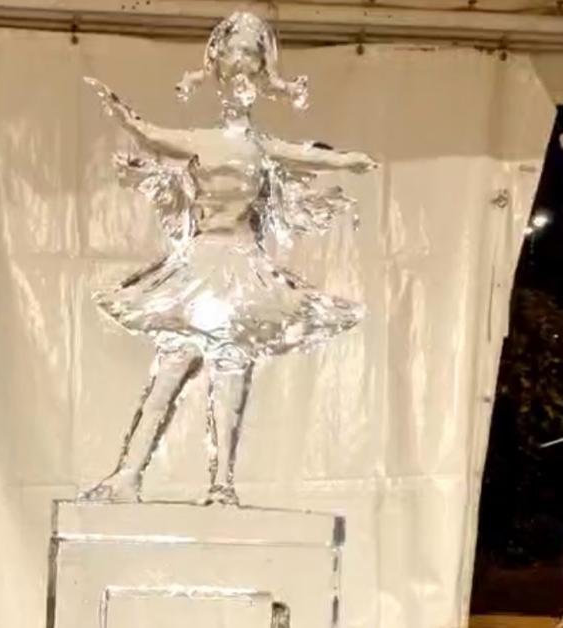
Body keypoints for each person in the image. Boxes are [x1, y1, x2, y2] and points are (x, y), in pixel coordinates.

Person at [81, 12, 377, 506]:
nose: (241, 65)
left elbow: (310, 156)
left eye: (250, 55)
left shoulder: (261, 147)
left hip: (241, 271)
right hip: (198, 270)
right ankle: (128, 476)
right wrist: (119, 113)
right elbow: (149, 135)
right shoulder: (202, 141)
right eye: (234, 53)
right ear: (220, 65)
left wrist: (348, 160)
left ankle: (220, 484)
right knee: (171, 371)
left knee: (230, 371)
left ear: (260, 70)